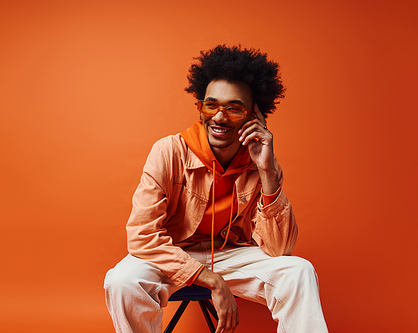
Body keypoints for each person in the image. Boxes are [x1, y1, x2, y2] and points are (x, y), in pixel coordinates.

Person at [104, 45, 328, 333]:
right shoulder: (169, 151)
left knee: (299, 271)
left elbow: (279, 249)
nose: (219, 117)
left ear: (253, 116)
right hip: (172, 255)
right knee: (122, 281)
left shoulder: (262, 164)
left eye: (234, 108)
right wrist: (210, 279)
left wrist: (267, 170)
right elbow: (142, 236)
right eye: (211, 105)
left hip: (230, 255)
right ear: (201, 108)